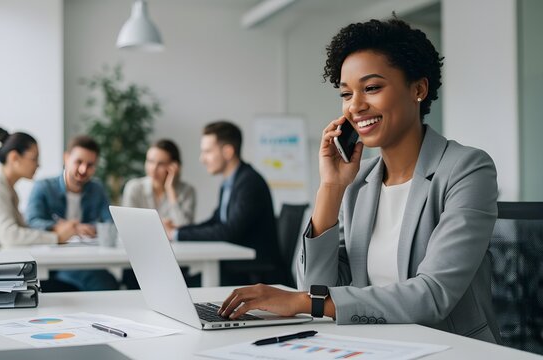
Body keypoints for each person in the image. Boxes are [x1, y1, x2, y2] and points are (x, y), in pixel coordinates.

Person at [218, 18, 501, 343]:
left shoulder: (466, 169)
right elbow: (313, 288)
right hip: (376, 343)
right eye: (346, 93)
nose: (355, 106)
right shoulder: (360, 180)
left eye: (372, 88)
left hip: (447, 347)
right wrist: (332, 187)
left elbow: (433, 295)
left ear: (418, 89)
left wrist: (304, 303)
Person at [164, 121, 281, 285]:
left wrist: (176, 235)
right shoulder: (231, 182)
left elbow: (228, 231)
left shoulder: (249, 183)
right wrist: (178, 230)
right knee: (178, 280)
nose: (202, 159)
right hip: (234, 270)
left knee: (178, 283)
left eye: (207, 152)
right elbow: (216, 221)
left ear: (227, 152)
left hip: (251, 276)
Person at [0, 128, 77, 252]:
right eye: (34, 159)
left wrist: (54, 228)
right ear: (14, 158)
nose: (38, 165)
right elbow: (10, 236)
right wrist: (56, 237)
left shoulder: (7, 189)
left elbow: (21, 229)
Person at [26, 135, 118, 291]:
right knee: (104, 284)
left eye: (90, 165)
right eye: (79, 162)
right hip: (54, 261)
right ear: (66, 158)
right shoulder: (43, 187)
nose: (83, 170)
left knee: (109, 283)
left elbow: (109, 223)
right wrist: (64, 228)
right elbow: (32, 221)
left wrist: (88, 228)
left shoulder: (97, 189)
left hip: (87, 258)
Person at [122, 139, 196, 226]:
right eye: (150, 161)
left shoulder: (187, 191)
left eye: (161, 164)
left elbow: (185, 227)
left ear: (174, 166)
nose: (153, 168)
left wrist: (170, 189)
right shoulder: (134, 188)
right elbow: (127, 225)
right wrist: (161, 225)